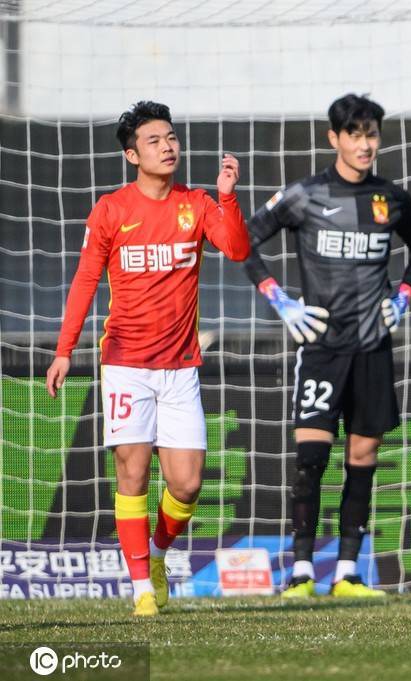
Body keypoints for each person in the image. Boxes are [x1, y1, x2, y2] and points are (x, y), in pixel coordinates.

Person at [46, 100, 251, 616]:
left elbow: (236, 249)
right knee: (132, 473)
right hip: (125, 365)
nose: (167, 146)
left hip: (181, 368)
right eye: (155, 140)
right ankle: (141, 589)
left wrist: (227, 197)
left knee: (187, 483)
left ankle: (157, 554)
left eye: (171, 137)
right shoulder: (112, 209)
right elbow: (85, 281)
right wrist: (64, 350)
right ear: (132, 155)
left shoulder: (196, 203)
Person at [244, 94, 411, 599]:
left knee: (363, 457)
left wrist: (403, 297)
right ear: (335, 138)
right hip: (322, 345)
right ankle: (301, 571)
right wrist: (280, 300)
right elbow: (245, 240)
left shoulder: (391, 198)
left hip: (373, 346)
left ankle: (348, 572)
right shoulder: (306, 195)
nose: (365, 144)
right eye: (355, 134)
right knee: (311, 457)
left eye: (371, 134)